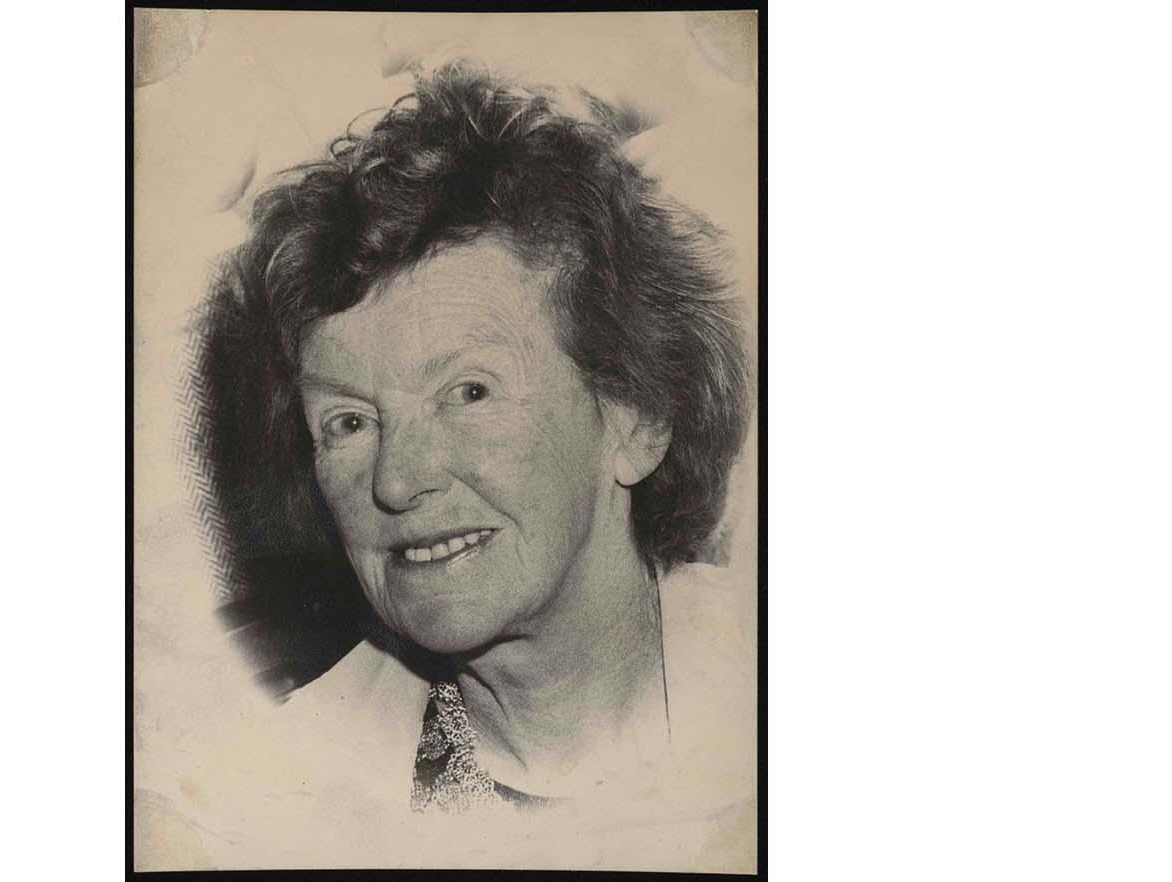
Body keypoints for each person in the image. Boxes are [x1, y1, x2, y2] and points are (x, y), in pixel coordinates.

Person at [190, 61, 756, 871]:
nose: (395, 481)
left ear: (635, 417)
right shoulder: (264, 788)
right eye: (347, 422)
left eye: (468, 392)